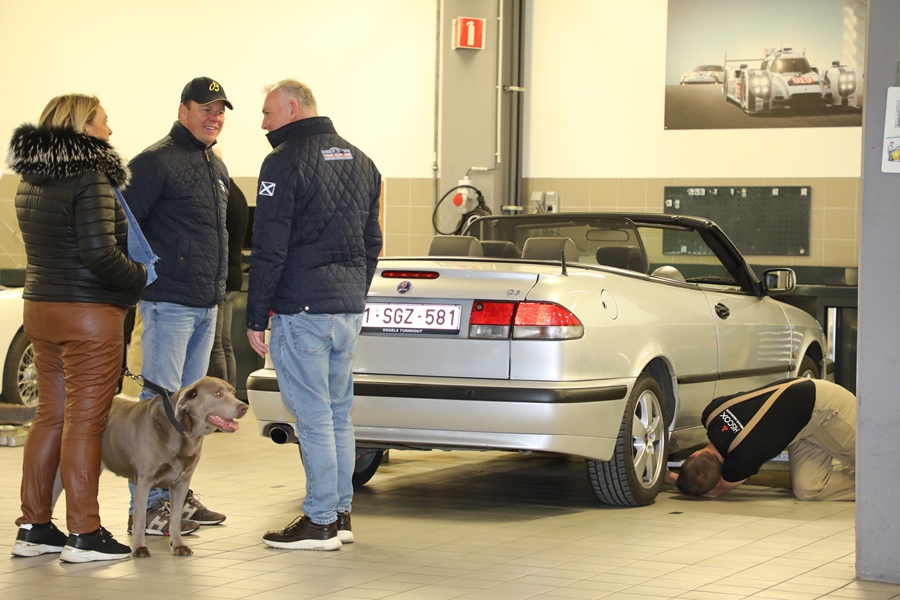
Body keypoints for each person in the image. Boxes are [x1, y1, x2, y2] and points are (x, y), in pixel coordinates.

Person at [8, 94, 147, 562]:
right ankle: (85, 534)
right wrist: (139, 277)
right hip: (88, 314)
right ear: (84, 127)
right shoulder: (91, 176)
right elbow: (99, 253)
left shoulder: (29, 177)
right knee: (86, 422)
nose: (110, 131)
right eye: (104, 122)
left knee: (50, 416)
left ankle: (34, 527)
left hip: (40, 309)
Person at [247, 79, 383, 551]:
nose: (263, 124)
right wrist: (351, 294)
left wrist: (256, 316)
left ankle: (320, 519)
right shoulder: (362, 161)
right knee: (339, 414)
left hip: (302, 310)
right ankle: (340, 515)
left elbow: (269, 246)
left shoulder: (282, 162)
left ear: (291, 108)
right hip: (345, 311)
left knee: (313, 418)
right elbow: (372, 243)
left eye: (267, 113)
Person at [123, 76, 232, 535]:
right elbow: (124, 226)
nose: (214, 117)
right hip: (169, 303)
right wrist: (145, 278)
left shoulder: (215, 165)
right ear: (183, 110)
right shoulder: (154, 160)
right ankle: (147, 508)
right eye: (206, 109)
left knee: (190, 411)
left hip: (205, 303)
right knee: (159, 407)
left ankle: (178, 498)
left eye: (220, 111)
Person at [667, 378, 856, 501]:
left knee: (874, 467)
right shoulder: (711, 414)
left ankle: (873, 480)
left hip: (828, 408)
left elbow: (715, 491)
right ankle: (869, 488)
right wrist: (670, 476)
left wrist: (676, 481)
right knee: (809, 489)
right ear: (694, 454)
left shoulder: (744, 458)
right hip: (800, 428)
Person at [207, 148, 248, 389]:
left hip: (220, 278)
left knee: (215, 346)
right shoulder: (237, 192)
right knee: (225, 343)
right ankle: (229, 392)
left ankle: (220, 396)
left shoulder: (218, 194)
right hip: (233, 276)